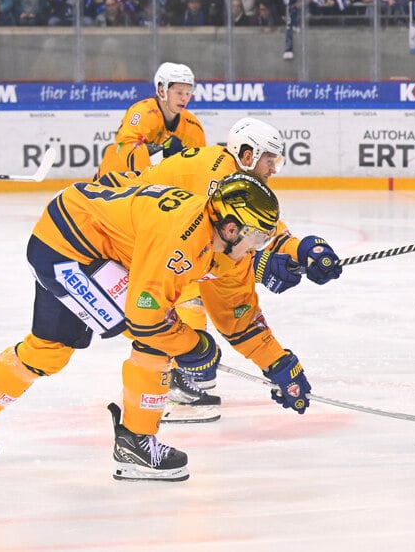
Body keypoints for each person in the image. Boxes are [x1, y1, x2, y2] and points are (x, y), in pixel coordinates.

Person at [0, 173, 313, 481]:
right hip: (69, 249)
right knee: (160, 338)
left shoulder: (228, 246)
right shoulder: (182, 242)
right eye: (258, 237)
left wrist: (277, 364)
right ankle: (135, 442)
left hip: (70, 230)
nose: (260, 247)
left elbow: (239, 317)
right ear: (232, 228)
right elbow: (147, 319)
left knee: (50, 349)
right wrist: (192, 348)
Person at [95, 118, 343, 421]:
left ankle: (178, 378)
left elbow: (257, 230)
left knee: (187, 286)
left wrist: (303, 249)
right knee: (179, 294)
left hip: (145, 236)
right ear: (248, 155)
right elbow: (216, 243)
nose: (274, 168)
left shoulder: (235, 181)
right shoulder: (217, 174)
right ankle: (175, 381)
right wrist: (261, 264)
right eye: (269, 159)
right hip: (111, 230)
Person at [95, 62, 204, 178]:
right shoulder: (141, 112)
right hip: (114, 184)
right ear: (162, 90)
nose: (184, 98)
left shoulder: (193, 126)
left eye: (188, 93)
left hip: (153, 188)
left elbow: (200, 167)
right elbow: (123, 148)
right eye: (179, 92)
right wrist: (162, 151)